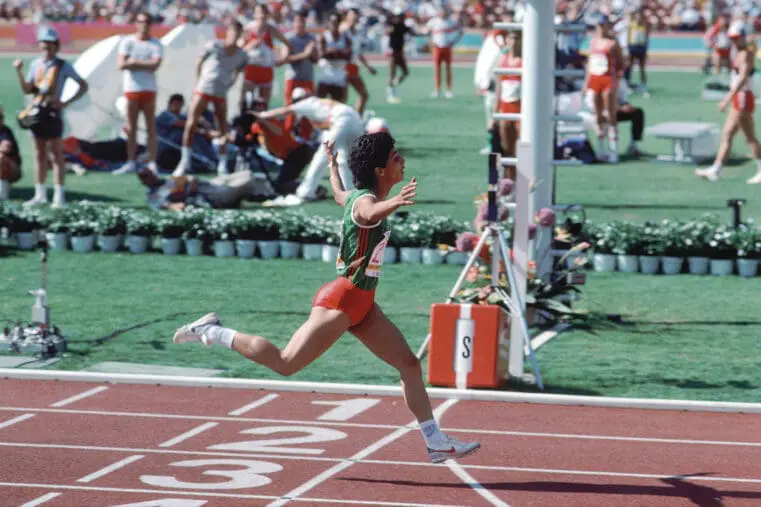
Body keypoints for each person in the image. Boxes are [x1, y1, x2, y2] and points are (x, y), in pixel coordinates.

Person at [172, 133, 481, 464]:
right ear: (380, 170)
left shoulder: (355, 196)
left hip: (363, 305)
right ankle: (213, 331)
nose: (401, 159)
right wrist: (394, 202)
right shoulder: (366, 203)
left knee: (409, 364)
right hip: (341, 301)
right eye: (395, 156)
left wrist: (333, 167)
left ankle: (435, 442)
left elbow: (337, 193)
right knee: (286, 363)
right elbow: (369, 213)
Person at [14, 26, 89, 208]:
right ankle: (40, 194)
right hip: (36, 112)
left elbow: (82, 85)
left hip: (53, 113)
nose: (47, 46)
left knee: (56, 155)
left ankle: (58, 195)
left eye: (50, 43)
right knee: (39, 155)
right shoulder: (35, 64)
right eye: (44, 42)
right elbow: (28, 89)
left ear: (56, 45)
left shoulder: (63, 65)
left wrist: (66, 102)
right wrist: (19, 72)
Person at [259, 87, 365, 206]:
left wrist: (261, 115)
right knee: (346, 160)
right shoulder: (318, 104)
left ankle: (306, 192)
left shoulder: (307, 102)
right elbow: (327, 124)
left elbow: (285, 110)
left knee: (322, 157)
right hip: (355, 119)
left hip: (342, 119)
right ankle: (351, 191)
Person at [174, 20, 247, 178]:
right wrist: (199, 80)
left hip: (220, 92)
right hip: (204, 89)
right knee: (191, 123)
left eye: (238, 33)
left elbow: (238, 71)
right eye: (233, 32)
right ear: (228, 33)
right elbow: (199, 61)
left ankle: (222, 164)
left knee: (222, 128)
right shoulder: (214, 45)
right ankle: (184, 162)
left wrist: (229, 84)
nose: (234, 36)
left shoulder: (242, 55)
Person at [696, 22, 761, 184]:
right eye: (732, 38)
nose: (733, 41)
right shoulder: (741, 52)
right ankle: (716, 169)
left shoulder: (745, 54)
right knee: (728, 134)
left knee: (749, 137)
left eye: (736, 38)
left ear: (743, 37)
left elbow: (742, 78)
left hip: (742, 97)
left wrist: (727, 98)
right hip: (740, 97)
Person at [113, 11, 163, 175]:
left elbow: (155, 65)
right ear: (136, 23)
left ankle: (152, 161)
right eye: (141, 22)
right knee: (131, 128)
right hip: (131, 89)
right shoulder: (128, 42)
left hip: (149, 90)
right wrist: (142, 64)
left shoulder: (156, 44)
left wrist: (134, 62)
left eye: (147, 22)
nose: (144, 25)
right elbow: (121, 64)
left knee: (150, 128)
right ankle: (131, 161)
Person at [582, 15, 624, 164]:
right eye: (599, 26)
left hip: (607, 78)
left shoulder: (613, 43)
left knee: (610, 113)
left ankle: (614, 150)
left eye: (603, 25)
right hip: (595, 78)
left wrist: (617, 80)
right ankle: (601, 149)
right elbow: (590, 63)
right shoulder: (593, 42)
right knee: (598, 113)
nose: (600, 28)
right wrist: (586, 82)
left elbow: (620, 63)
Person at [138, 166, 273, 210]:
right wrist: (186, 197)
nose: (153, 176)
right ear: (144, 182)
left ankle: (260, 194)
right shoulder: (153, 195)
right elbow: (171, 206)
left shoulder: (166, 180)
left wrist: (191, 181)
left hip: (210, 184)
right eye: (147, 176)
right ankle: (267, 195)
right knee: (248, 179)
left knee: (247, 173)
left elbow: (190, 178)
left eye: (151, 173)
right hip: (208, 196)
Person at [240, 3, 291, 110]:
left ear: (267, 15)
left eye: (263, 12)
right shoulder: (248, 28)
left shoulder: (271, 29)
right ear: (254, 15)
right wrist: (250, 45)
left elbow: (287, 43)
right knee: (245, 102)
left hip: (266, 71)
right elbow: (239, 47)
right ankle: (245, 119)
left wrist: (283, 57)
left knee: (263, 105)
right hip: (251, 70)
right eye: (259, 13)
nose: (261, 15)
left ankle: (261, 120)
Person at [494, 30, 521, 181]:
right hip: (505, 107)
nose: (514, 42)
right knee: (506, 148)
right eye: (511, 38)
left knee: (521, 148)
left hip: (520, 108)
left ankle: (521, 182)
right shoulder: (503, 59)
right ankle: (508, 182)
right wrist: (495, 112)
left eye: (517, 38)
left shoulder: (525, 61)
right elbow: (499, 88)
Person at [342, 7, 377, 115]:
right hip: (343, 67)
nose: (354, 17)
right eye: (352, 15)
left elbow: (358, 53)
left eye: (356, 15)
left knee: (364, 95)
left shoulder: (357, 32)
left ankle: (357, 119)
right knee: (342, 98)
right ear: (346, 17)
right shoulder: (342, 31)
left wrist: (368, 67)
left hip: (353, 66)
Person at [424, 5, 463, 99]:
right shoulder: (433, 21)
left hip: (447, 48)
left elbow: (461, 31)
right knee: (437, 69)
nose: (443, 13)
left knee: (448, 69)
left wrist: (454, 41)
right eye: (441, 12)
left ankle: (448, 90)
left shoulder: (451, 21)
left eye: (444, 12)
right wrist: (431, 42)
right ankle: (437, 89)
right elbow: (425, 32)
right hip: (437, 48)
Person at [316, 11, 351, 103]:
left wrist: (333, 52)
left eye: (337, 22)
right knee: (320, 102)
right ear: (329, 22)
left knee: (338, 103)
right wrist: (337, 52)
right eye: (332, 22)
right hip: (325, 72)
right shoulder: (324, 36)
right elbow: (320, 54)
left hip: (338, 73)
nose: (334, 24)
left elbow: (348, 55)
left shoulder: (344, 37)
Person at [383, 7, 415, 103]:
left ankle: (394, 85)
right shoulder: (392, 25)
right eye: (398, 16)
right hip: (392, 52)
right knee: (392, 74)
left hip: (400, 52)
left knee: (405, 72)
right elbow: (387, 31)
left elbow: (413, 33)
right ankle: (390, 95)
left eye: (401, 16)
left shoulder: (403, 26)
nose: (399, 18)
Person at [626, 8, 650, 96]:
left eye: (640, 15)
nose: (638, 17)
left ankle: (644, 85)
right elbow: (628, 37)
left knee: (642, 68)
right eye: (637, 15)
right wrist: (628, 48)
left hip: (641, 48)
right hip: (633, 47)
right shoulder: (631, 25)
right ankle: (628, 85)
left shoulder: (645, 25)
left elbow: (646, 38)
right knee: (629, 67)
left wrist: (646, 50)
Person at [0, 106, 21, 201]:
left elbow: (6, 147)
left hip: (12, 170)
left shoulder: (5, 131)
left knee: (1, 158)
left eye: (1, 117)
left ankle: (2, 195)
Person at [704, 13, 732, 81]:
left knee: (730, 67)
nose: (724, 21)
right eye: (722, 20)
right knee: (717, 66)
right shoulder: (715, 28)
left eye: (725, 20)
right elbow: (707, 38)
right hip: (718, 50)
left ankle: (731, 81)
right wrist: (712, 45)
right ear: (719, 20)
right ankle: (716, 80)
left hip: (728, 50)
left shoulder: (730, 28)